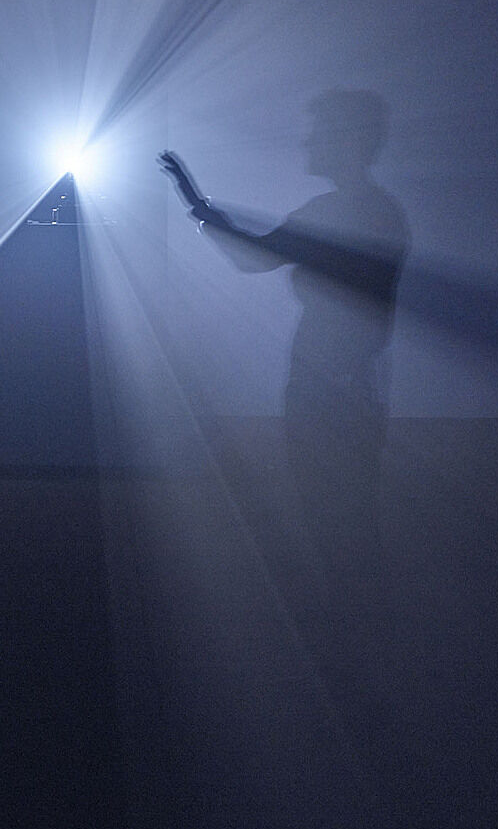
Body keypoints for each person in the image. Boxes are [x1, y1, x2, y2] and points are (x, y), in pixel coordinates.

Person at [159, 89, 408, 713]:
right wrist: (196, 201)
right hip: (339, 387)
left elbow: (255, 261)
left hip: (334, 390)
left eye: (318, 131)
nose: (307, 142)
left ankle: (356, 666)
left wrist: (194, 201)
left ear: (349, 140)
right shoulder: (367, 211)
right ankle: (363, 660)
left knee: (336, 515)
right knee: (343, 516)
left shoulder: (352, 213)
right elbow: (260, 261)